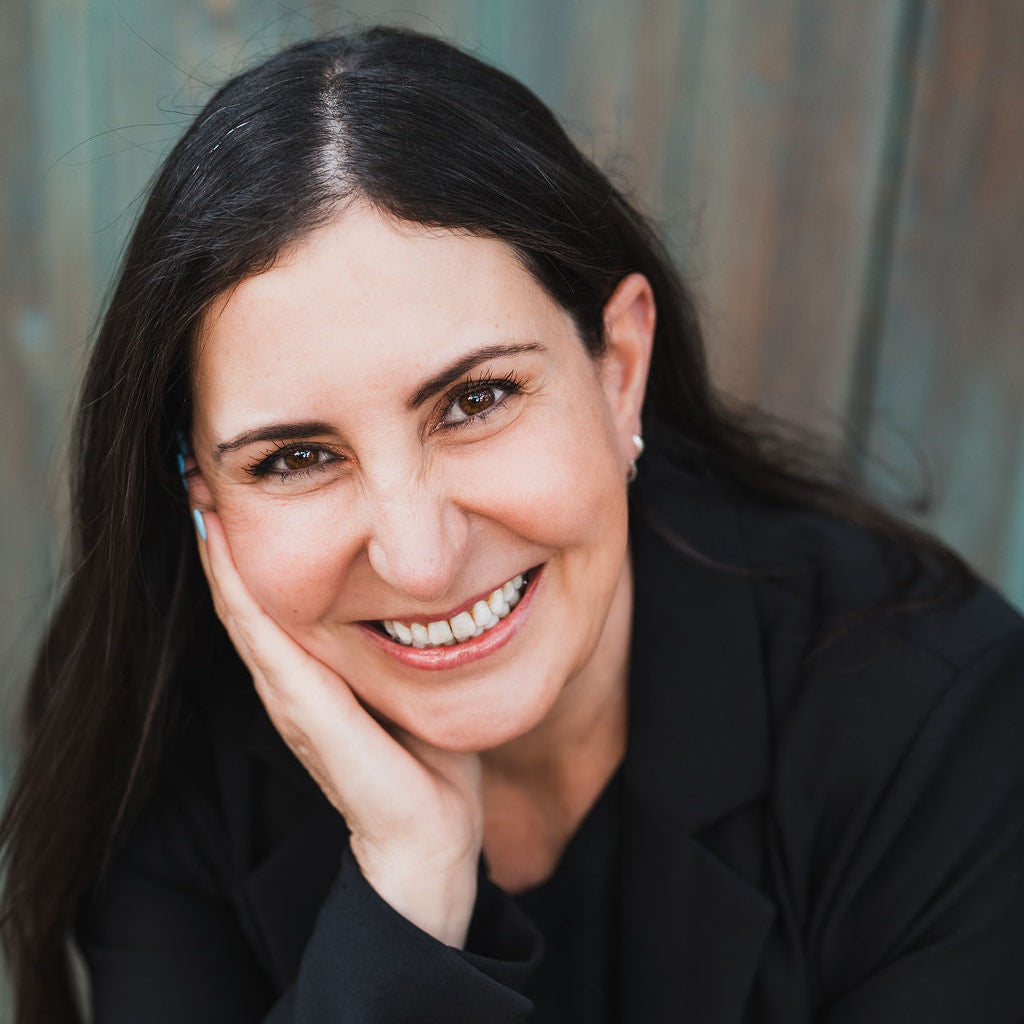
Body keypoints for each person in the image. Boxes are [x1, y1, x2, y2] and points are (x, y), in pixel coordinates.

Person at [2, 25, 1023, 1024]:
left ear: (619, 370)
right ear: (206, 504)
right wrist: (404, 900)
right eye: (297, 458)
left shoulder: (936, 733)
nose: (418, 557)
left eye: (476, 400)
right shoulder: (160, 748)